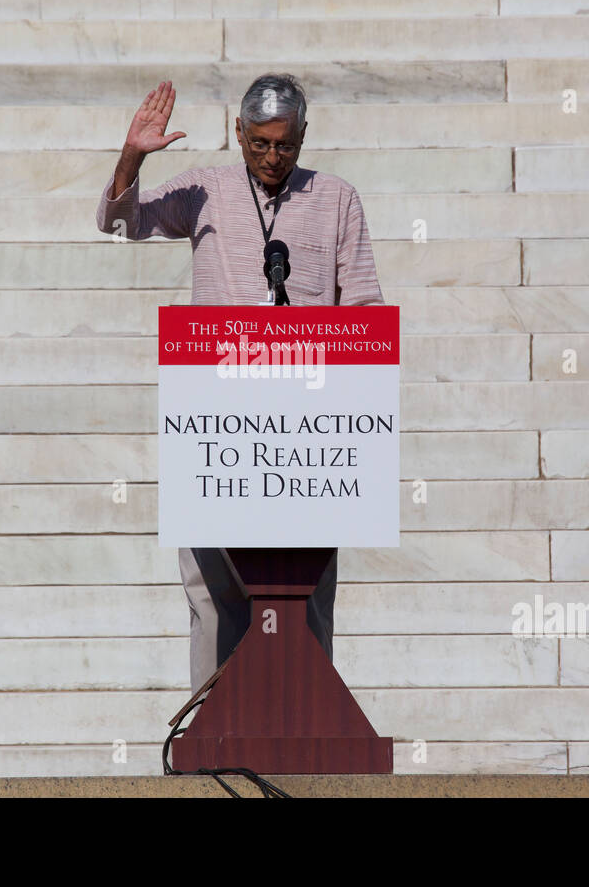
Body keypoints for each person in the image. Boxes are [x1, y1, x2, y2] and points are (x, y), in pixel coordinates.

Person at [95, 73, 384, 696]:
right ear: (238, 134)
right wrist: (131, 158)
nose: (273, 157)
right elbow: (121, 225)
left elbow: (361, 309)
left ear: (303, 136)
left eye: (285, 145)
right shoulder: (207, 188)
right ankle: (211, 742)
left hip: (306, 429)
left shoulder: (337, 198)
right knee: (214, 592)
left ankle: (305, 737)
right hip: (216, 419)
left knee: (304, 592)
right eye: (259, 144)